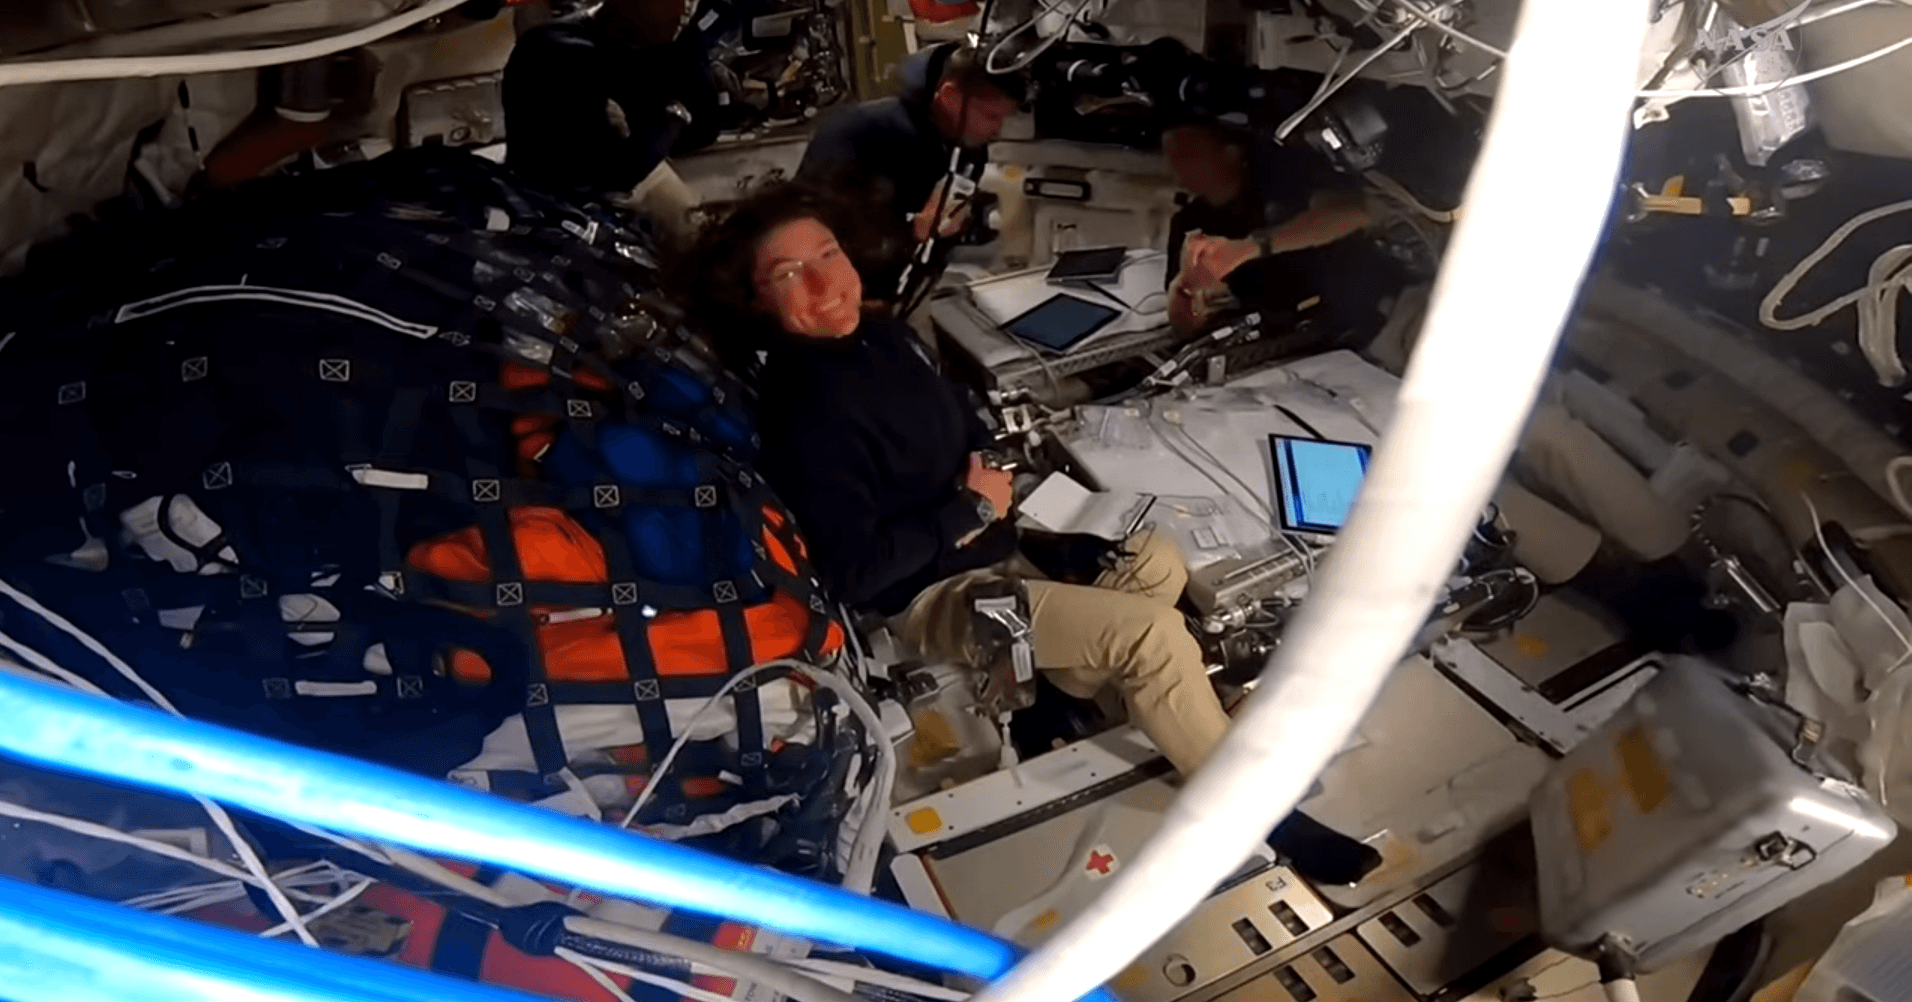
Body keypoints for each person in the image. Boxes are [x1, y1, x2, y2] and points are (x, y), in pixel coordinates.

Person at [684, 184, 1383, 885]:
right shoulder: (804, 412)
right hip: (939, 596)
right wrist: (971, 512)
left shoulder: (885, 335)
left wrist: (1003, 490)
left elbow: (964, 424)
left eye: (827, 253)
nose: (823, 281)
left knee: (1158, 558)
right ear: (756, 303)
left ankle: (1122, 698)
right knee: (1153, 636)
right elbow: (854, 573)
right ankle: (1264, 815)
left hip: (1000, 554)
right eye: (788, 274)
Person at [795, 43, 1021, 295]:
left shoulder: (962, 145)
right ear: (948, 97)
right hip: (839, 298)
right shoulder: (859, 130)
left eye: (1002, 118)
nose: (997, 130)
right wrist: (911, 229)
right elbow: (808, 228)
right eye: (990, 116)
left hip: (907, 288)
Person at [1162, 121, 1397, 338]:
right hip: (1287, 337)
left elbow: (1354, 212)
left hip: (1371, 306)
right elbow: (1183, 325)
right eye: (1172, 155)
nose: (1177, 164)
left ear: (1231, 153)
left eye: (1188, 154)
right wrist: (1187, 287)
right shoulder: (1188, 223)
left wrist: (1252, 247)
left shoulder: (1277, 179)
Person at [502, 0, 720, 209]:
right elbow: (617, 173)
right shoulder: (560, 51)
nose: (684, 11)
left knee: (705, 230)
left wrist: (693, 47)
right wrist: (674, 118)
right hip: (556, 201)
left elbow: (704, 130)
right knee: (696, 236)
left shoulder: (640, 43)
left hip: (623, 177)